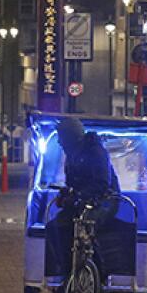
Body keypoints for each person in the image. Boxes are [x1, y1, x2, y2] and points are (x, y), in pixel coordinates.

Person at [45, 117, 122, 278]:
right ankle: (67, 271)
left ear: (71, 137)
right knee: (55, 225)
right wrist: (66, 194)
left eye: (62, 138)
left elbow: (102, 183)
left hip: (105, 200)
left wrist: (79, 195)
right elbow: (73, 184)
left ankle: (100, 271)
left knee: (87, 224)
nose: (59, 142)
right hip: (83, 200)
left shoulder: (96, 152)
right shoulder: (71, 154)